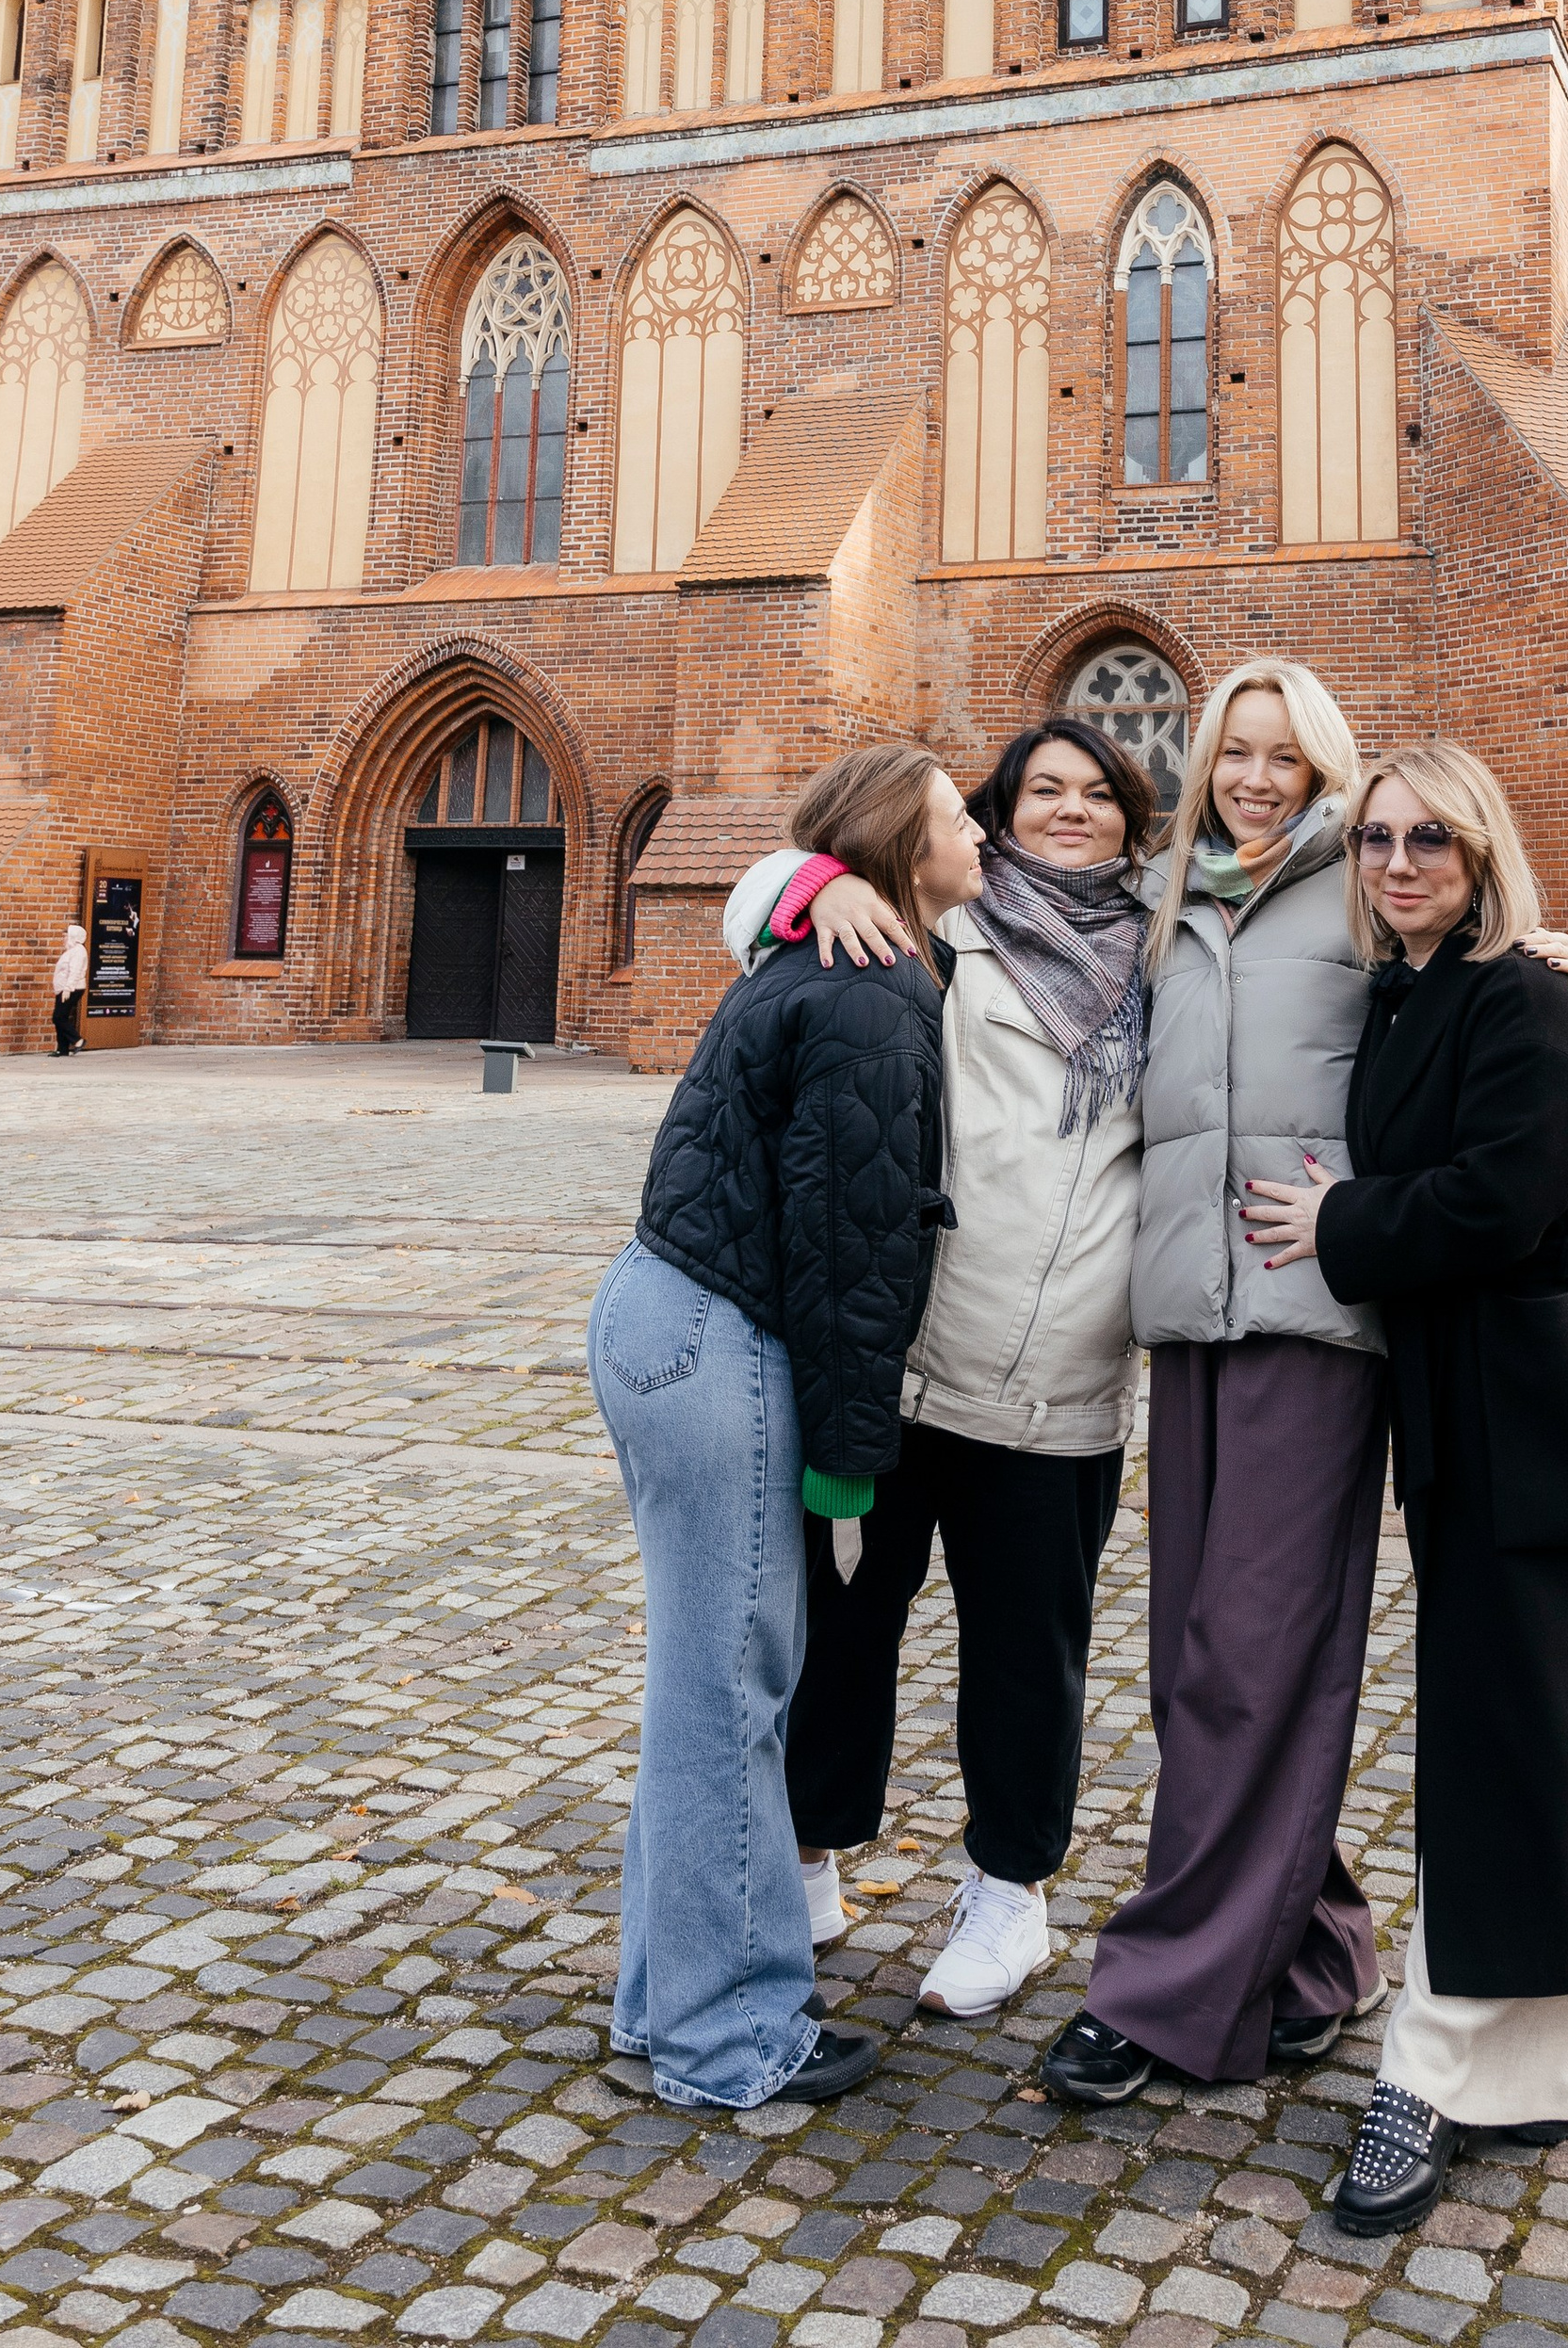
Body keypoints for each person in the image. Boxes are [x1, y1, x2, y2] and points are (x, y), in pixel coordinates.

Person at [1041, 663, 1568, 2109]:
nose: (1256, 780)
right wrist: (804, 886)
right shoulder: (1164, 901)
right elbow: (994, 900)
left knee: (1252, 1657)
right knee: (1194, 1665)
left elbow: (1491, 986)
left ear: (1326, 772)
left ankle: (1170, 1993)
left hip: (1320, 1312)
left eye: (1285, 758)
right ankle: (1316, 1955)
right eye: (1234, 753)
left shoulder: (1361, 891)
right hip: (1189, 1315)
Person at [1239, 741, 1568, 2235]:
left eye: (1429, 838)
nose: (1397, 862)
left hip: (1555, 1393)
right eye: (1376, 839)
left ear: (1484, 850)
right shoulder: (1418, 987)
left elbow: (1503, 1202)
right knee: (1554, 1712)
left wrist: (1341, 1221)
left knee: (1534, 1720)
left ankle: (1433, 2066)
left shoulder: (1520, 998)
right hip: (1484, 1388)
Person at [724, 716, 1158, 2020]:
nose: (1070, 810)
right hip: (905, 1359)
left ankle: (1008, 1892)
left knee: (1028, 1652)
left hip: (1062, 1369)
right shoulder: (938, 923)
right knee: (843, 1627)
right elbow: (756, 914)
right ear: (998, 812)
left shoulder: (1169, 951)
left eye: (1096, 793)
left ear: (1133, 817)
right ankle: (809, 1857)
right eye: (1041, 791)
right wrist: (816, 879)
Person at [588, 740, 982, 2116]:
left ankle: (662, 2001)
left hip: (664, 1307)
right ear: (903, 845)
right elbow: (851, 1250)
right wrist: (849, 1465)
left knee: (701, 1686)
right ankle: (729, 2038)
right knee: (730, 1697)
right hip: (722, 1330)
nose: (980, 834)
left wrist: (805, 879)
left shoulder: (829, 949)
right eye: (958, 817)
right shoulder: (872, 993)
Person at [51, 923, 88, 1055]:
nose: (63, 939)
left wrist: (67, 989)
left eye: (65, 936)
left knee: (58, 1017)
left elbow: (75, 972)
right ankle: (62, 1049)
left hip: (72, 988)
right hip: (64, 988)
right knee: (62, 1016)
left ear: (73, 936)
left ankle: (77, 1040)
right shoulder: (71, 951)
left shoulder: (78, 951)